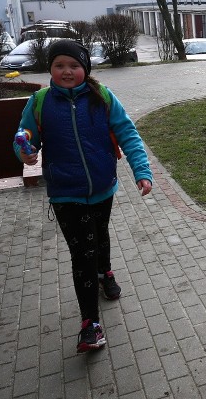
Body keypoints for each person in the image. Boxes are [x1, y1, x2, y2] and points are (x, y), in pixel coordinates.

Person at [13, 39, 154, 354]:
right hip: (65, 193)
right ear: (50, 68)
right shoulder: (39, 102)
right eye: (60, 65)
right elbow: (26, 139)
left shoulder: (101, 97)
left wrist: (142, 170)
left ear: (85, 69)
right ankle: (89, 324)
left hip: (103, 187)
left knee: (99, 235)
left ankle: (106, 272)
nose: (67, 71)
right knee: (82, 255)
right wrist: (25, 152)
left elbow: (128, 133)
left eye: (74, 66)